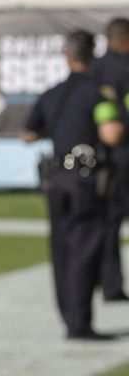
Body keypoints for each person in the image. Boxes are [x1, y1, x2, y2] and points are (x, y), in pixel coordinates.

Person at [23, 30, 124, 340]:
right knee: (85, 250)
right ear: (91, 55)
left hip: (56, 179)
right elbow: (111, 135)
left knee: (62, 250)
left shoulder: (52, 93)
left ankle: (69, 318)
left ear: (66, 55)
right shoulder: (99, 92)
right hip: (85, 181)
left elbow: (28, 134)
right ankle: (80, 324)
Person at [92, 17, 129, 302]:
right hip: (124, 151)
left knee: (107, 221)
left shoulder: (94, 69)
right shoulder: (124, 68)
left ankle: (108, 282)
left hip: (101, 156)